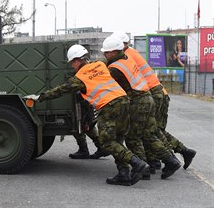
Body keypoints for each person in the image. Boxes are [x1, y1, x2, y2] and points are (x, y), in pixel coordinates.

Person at [27, 44, 149, 186]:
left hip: (109, 106)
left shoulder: (79, 77)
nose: (72, 66)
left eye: (72, 63)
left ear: (77, 60)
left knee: (107, 142)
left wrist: (39, 97)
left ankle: (137, 163)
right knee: (117, 139)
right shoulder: (100, 64)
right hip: (124, 101)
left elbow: (60, 90)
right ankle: (123, 173)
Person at [112, 31, 196, 172]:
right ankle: (163, 158)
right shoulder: (132, 52)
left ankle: (171, 158)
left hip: (152, 93)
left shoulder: (127, 56)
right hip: (157, 92)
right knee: (153, 129)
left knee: (149, 131)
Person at [101, 36, 181, 180]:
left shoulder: (115, 68)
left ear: (113, 52)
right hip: (147, 98)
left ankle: (144, 168)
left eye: (106, 53)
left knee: (132, 137)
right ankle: (170, 160)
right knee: (148, 134)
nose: (104, 55)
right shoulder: (127, 59)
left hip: (138, 102)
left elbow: (103, 82)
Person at [68, 94, 108, 159]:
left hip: (84, 107)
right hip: (86, 105)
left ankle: (84, 150)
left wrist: (87, 122)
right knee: (87, 128)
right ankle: (101, 148)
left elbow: (86, 106)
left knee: (79, 128)